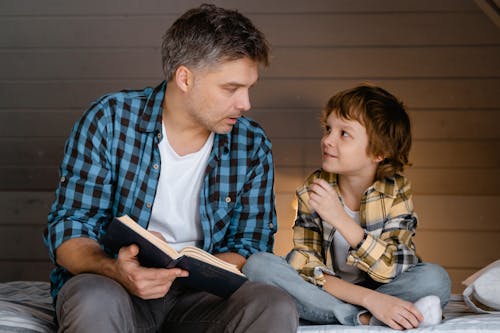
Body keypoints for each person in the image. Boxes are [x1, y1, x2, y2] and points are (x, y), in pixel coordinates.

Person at [44, 4, 299, 332]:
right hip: (114, 286)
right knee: (92, 299)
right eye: (231, 88)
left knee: (273, 304)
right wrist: (116, 268)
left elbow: (251, 244)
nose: (245, 103)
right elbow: (69, 229)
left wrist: (180, 270)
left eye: (249, 88)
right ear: (185, 78)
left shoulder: (250, 143)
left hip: (202, 296)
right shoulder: (109, 119)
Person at [243, 84, 451, 330]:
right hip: (333, 290)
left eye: (344, 134)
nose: (327, 140)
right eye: (328, 129)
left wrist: (339, 218)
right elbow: (306, 264)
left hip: (385, 287)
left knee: (435, 279)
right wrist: (370, 301)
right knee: (258, 266)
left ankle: (330, 312)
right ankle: (365, 317)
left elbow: (393, 267)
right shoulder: (314, 188)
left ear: (379, 152)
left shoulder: (396, 191)